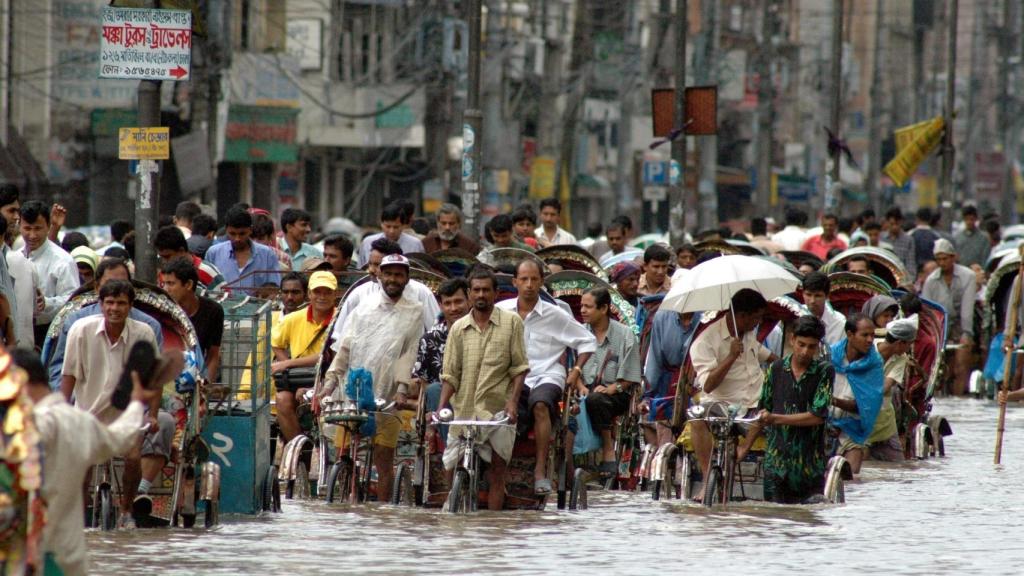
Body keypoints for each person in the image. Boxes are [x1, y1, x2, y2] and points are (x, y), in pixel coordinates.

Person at [18, 347, 155, 575]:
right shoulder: (80, 422)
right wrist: (136, 404)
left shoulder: (33, 424)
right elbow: (120, 438)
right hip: (68, 560)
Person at [60, 280, 165, 526]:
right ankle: (79, 515)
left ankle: (127, 511)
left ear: (130, 307)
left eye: (120, 303)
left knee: (132, 457)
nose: (114, 308)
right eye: (109, 302)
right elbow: (69, 376)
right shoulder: (80, 330)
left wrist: (153, 415)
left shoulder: (144, 334)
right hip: (88, 412)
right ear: (101, 304)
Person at [321, 255, 423, 500]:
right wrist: (329, 384)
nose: (393, 279)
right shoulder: (363, 307)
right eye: (388, 274)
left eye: (399, 274)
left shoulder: (414, 311)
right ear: (379, 275)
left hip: (388, 393)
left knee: (383, 457)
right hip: (354, 389)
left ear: (406, 279)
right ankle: (343, 499)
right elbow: (344, 347)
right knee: (344, 450)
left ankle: (383, 512)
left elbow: (408, 354)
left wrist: (401, 388)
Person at [496, 259, 595, 494]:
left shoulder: (556, 314)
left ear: (541, 282)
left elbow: (587, 341)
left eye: (534, 280)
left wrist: (577, 370)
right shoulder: (501, 311)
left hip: (547, 374)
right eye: (524, 279)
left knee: (540, 405)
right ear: (515, 282)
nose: (529, 285)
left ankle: (540, 471)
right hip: (511, 378)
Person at [437, 267, 529, 510]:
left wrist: (512, 403)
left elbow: (519, 368)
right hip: (464, 409)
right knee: (450, 465)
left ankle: (493, 527)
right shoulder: (458, 328)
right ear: (469, 293)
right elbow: (450, 375)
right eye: (476, 290)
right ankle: (453, 504)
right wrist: (441, 408)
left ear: (496, 293)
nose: (481, 295)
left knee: (497, 474)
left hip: (497, 409)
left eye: (486, 290)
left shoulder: (512, 323)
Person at [737, 315, 833, 503]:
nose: (805, 352)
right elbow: (762, 412)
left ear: (818, 346)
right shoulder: (776, 369)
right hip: (776, 462)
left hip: (809, 465)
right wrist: (745, 448)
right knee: (774, 521)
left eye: (811, 347)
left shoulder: (824, 371)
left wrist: (775, 419)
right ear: (792, 340)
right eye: (801, 344)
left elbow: (817, 416)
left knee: (809, 521)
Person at [690, 289, 775, 487]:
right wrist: (731, 356)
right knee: (697, 416)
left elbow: (767, 356)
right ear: (742, 316)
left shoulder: (747, 334)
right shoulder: (704, 342)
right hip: (721, 404)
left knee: (770, 408)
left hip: (755, 402)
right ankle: (706, 479)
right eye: (756, 318)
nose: (758, 323)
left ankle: (744, 449)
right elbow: (708, 386)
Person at [576, 287, 642, 475]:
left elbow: (630, 375)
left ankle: (607, 448)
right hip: (583, 389)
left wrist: (614, 387)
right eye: (581, 306)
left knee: (596, 399)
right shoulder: (579, 333)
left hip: (615, 392)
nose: (582, 310)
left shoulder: (624, 334)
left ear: (603, 308)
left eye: (588, 307)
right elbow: (573, 367)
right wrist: (580, 386)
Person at [330, 238, 440, 348]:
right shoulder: (359, 294)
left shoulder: (421, 293)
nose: (371, 270)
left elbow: (437, 332)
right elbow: (339, 338)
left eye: (377, 265)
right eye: (370, 264)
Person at [271, 270, 338, 442]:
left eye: (327, 292)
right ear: (309, 294)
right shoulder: (293, 319)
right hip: (300, 378)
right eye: (317, 292)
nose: (322, 297)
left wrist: (288, 364)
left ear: (335, 294)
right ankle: (300, 447)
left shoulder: (341, 319)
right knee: (282, 399)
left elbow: (327, 355)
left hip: (331, 378)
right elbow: (276, 343)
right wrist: (291, 368)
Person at [412, 277, 470, 444]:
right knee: (435, 389)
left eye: (458, 301)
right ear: (441, 306)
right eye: (447, 303)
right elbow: (424, 382)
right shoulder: (431, 338)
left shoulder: (484, 333)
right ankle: (453, 447)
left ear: (469, 300)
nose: (453, 308)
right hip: (444, 403)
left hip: (476, 394)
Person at [829, 314, 885, 474]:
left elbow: (866, 406)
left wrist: (833, 400)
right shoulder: (830, 356)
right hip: (825, 426)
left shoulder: (874, 364)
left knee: (851, 480)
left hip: (853, 431)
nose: (869, 340)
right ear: (849, 334)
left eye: (872, 335)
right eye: (865, 335)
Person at [921, 238, 977, 395]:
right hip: (939, 328)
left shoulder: (968, 276)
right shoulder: (931, 281)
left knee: (960, 367)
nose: (941, 262)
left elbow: (967, 310)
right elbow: (927, 312)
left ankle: (958, 401)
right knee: (939, 371)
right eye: (938, 259)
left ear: (953, 257)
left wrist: (966, 334)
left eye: (945, 258)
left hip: (962, 326)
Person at [20, 200, 80, 345]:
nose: (32, 235)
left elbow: (74, 301)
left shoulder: (63, 261)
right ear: (19, 226)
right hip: (19, 332)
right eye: (27, 228)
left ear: (48, 226)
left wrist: (46, 303)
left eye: (38, 229)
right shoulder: (15, 257)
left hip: (50, 334)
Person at [643, 307, 702, 447]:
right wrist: (647, 394)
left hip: (698, 379)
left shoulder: (706, 317)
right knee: (665, 440)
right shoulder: (662, 317)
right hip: (668, 382)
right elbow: (654, 357)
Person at [865, 316, 918, 462]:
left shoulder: (901, 359)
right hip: (861, 421)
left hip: (885, 424)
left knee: (899, 466)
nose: (909, 349)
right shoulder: (867, 348)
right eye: (909, 345)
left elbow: (885, 387)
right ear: (901, 343)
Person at [161, 257, 224, 381]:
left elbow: (213, 354)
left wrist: (205, 388)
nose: (165, 289)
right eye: (164, 284)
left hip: (197, 375)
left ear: (188, 284)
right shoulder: (161, 311)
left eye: (171, 283)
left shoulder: (213, 311)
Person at [205, 206, 281, 290]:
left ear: (250, 230)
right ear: (226, 230)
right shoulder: (213, 253)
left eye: (242, 234)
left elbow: (275, 289)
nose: (237, 239)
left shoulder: (267, 255)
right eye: (232, 234)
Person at [153, 225, 226, 291]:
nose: (164, 261)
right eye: (161, 257)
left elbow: (226, 300)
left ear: (181, 251)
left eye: (167, 257)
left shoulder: (207, 272)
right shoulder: (163, 274)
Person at [356, 202, 425, 267]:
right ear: (381, 224)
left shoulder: (415, 244)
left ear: (403, 225)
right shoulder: (368, 242)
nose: (391, 231)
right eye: (388, 226)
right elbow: (361, 268)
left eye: (396, 227)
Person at [802, 271, 846, 346]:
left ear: (827, 296)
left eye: (818, 296)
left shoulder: (840, 322)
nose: (812, 301)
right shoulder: (793, 315)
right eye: (808, 295)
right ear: (802, 294)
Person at [882, 207, 916, 275]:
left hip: (902, 277)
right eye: (892, 224)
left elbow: (910, 264)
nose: (895, 227)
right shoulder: (881, 238)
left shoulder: (908, 240)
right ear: (887, 222)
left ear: (901, 222)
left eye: (897, 224)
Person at [910, 207, 940, 274]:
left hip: (914, 272)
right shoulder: (937, 237)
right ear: (930, 220)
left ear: (917, 218)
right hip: (931, 272)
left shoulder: (910, 235)